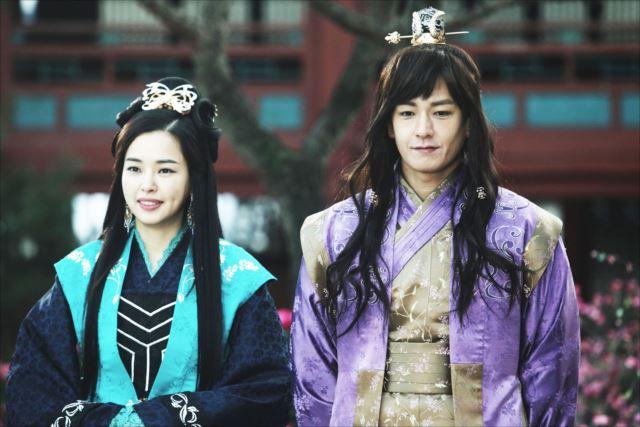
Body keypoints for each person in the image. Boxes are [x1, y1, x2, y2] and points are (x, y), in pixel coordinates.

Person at [291, 7, 579, 427]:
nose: (423, 129)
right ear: (389, 125)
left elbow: (551, 369)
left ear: (469, 123)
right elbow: (312, 369)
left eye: (442, 112)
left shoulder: (527, 231)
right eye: (407, 113)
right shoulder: (334, 231)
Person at [7, 77, 291, 426]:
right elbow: (33, 386)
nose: (147, 185)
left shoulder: (237, 277)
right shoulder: (80, 272)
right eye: (134, 168)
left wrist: (160, 418)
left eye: (166, 170)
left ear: (194, 178)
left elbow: (264, 391)